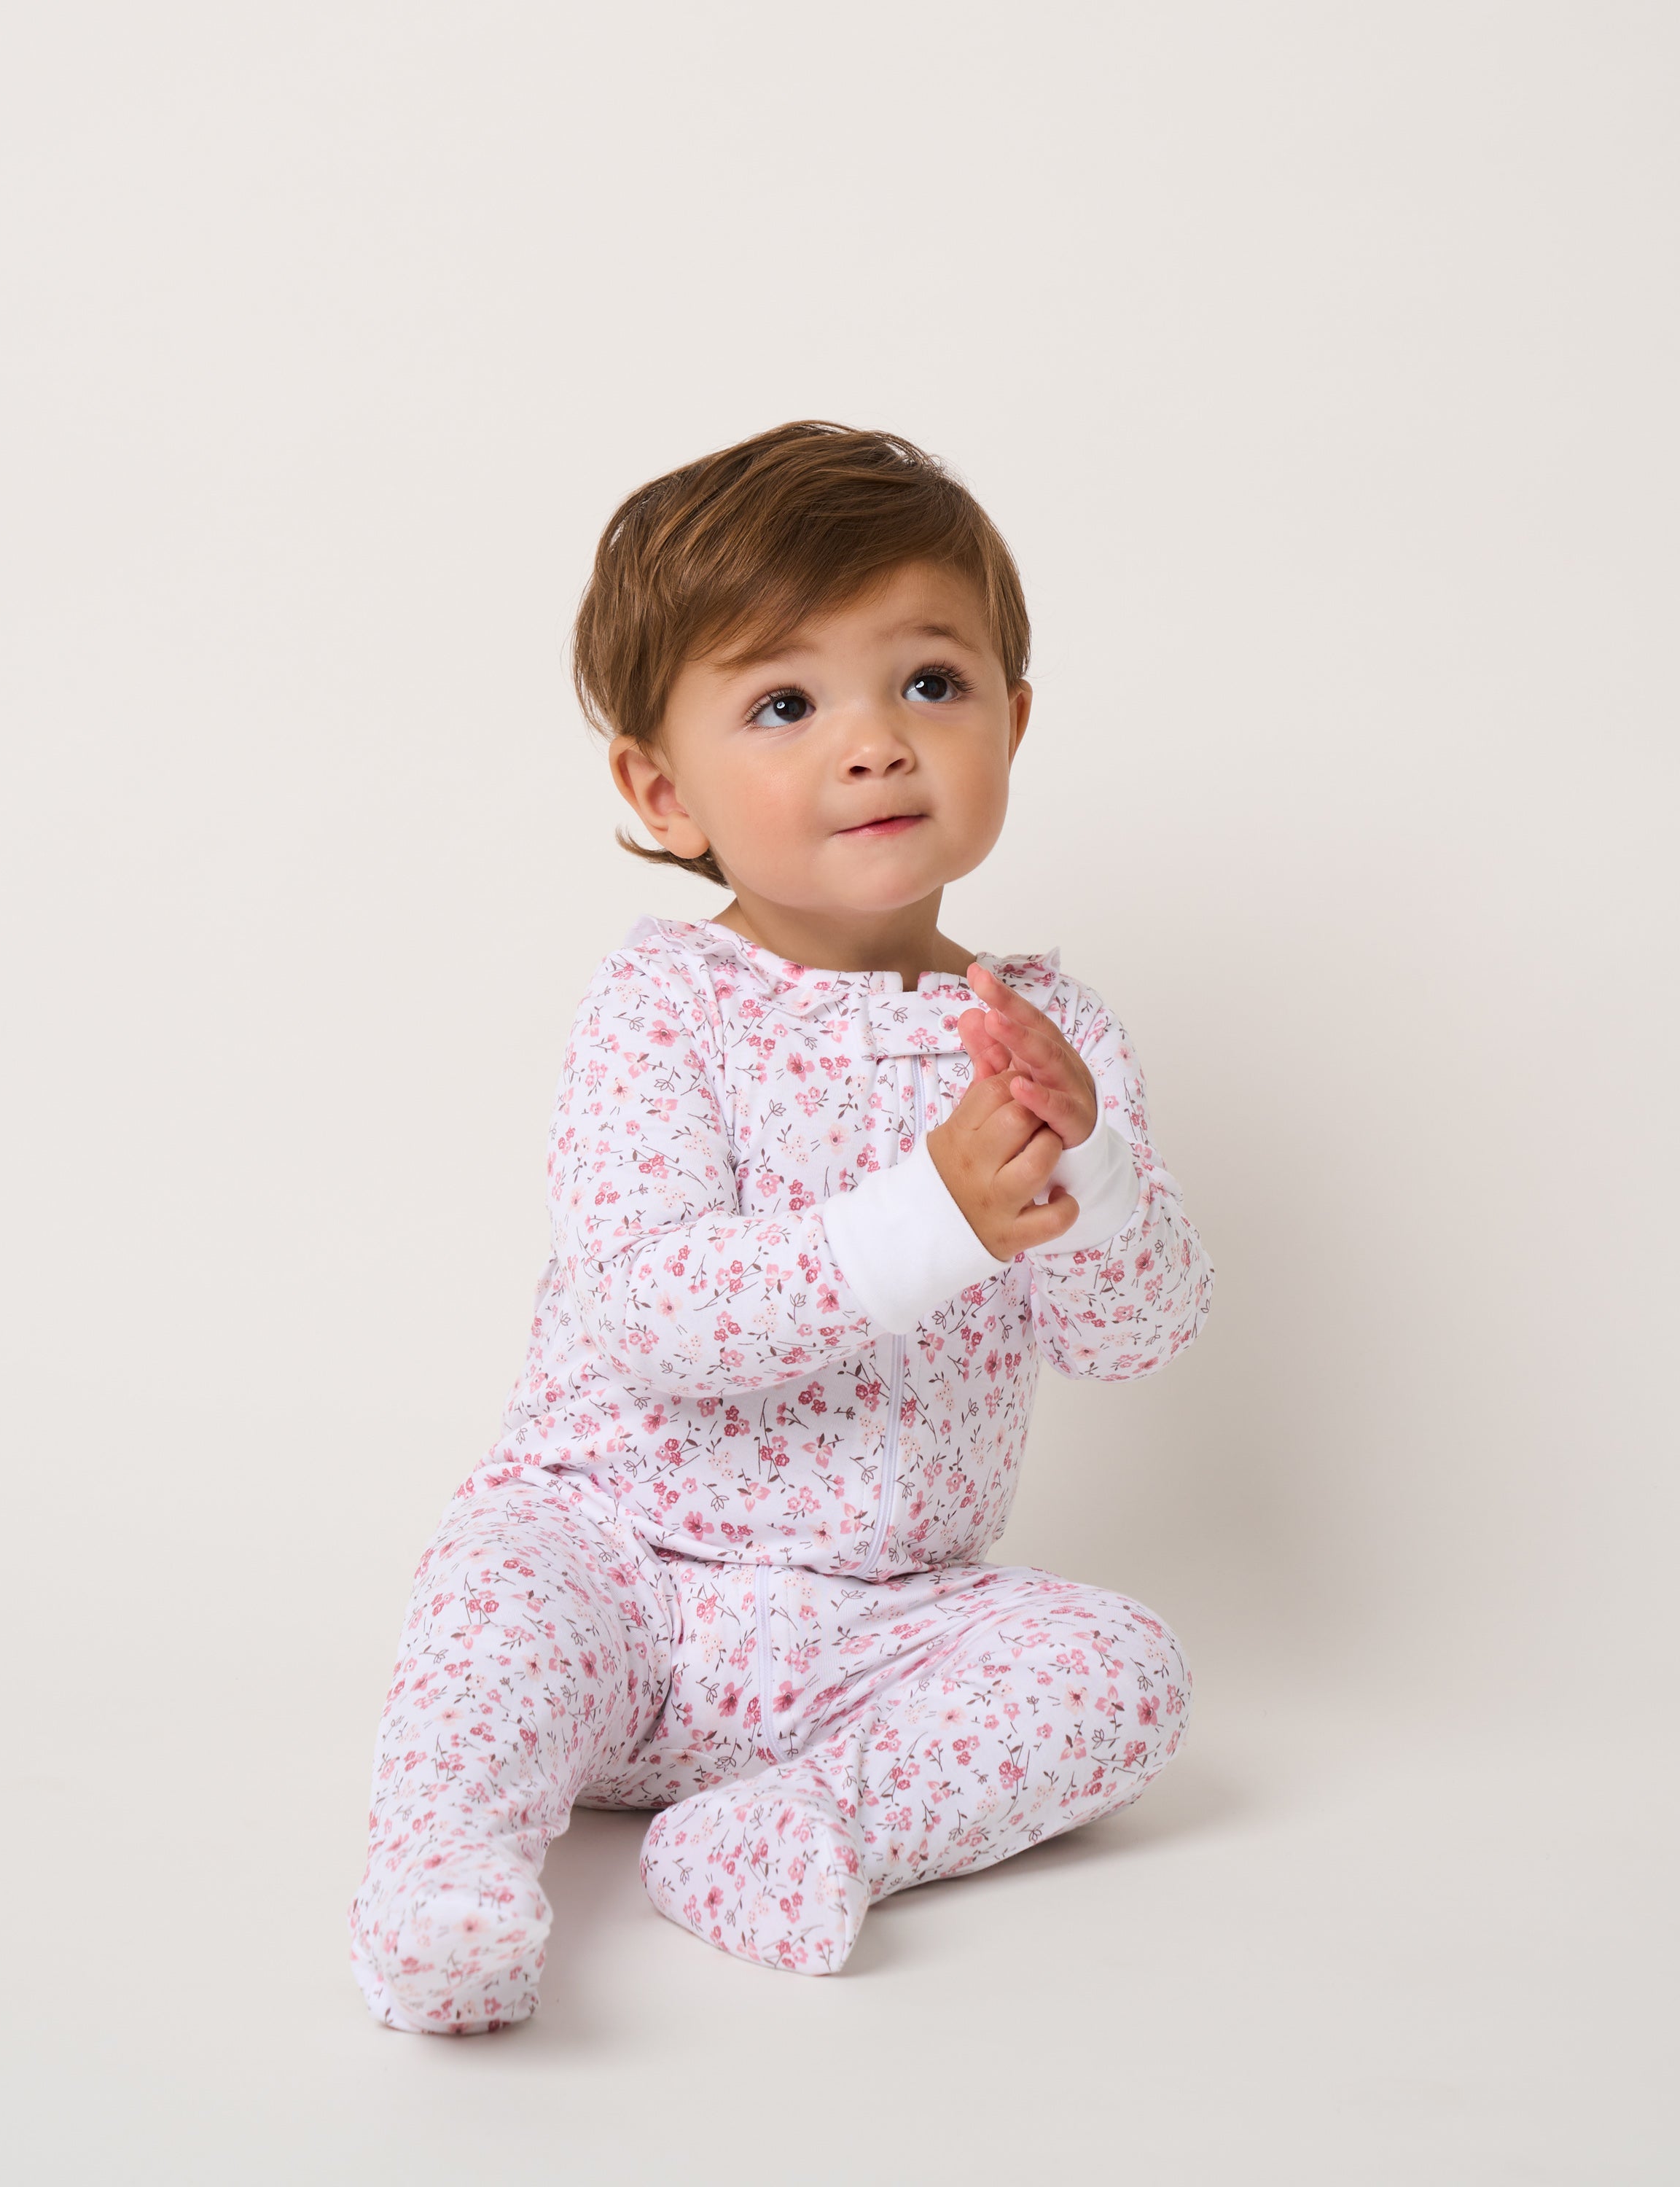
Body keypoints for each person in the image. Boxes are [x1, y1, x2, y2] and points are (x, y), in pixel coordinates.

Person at [348, 419, 1216, 2032]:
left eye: (932, 686)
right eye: (787, 704)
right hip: (627, 1563)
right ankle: (445, 1875)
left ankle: (802, 1826)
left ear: (1013, 725)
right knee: (489, 1609)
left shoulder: (1051, 1029)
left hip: (873, 1626)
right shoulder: (664, 1009)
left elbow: (1134, 1336)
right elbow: (651, 1311)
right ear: (662, 792)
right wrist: (940, 1213)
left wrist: (1086, 1177)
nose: (876, 742)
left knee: (1126, 1668)